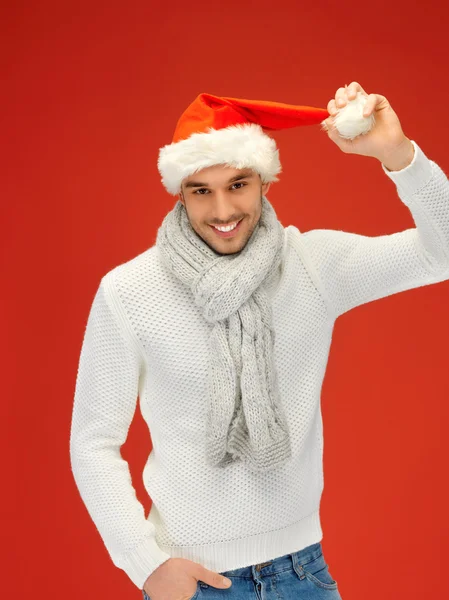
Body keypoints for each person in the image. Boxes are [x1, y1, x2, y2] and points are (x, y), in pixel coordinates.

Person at [70, 83, 449, 600]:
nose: (223, 209)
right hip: (193, 582)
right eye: (201, 190)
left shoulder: (311, 266)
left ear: (265, 182)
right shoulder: (131, 290)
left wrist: (397, 154)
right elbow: (92, 441)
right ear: (179, 191)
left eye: (238, 184)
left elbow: (441, 252)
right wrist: (145, 565)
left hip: (304, 573)